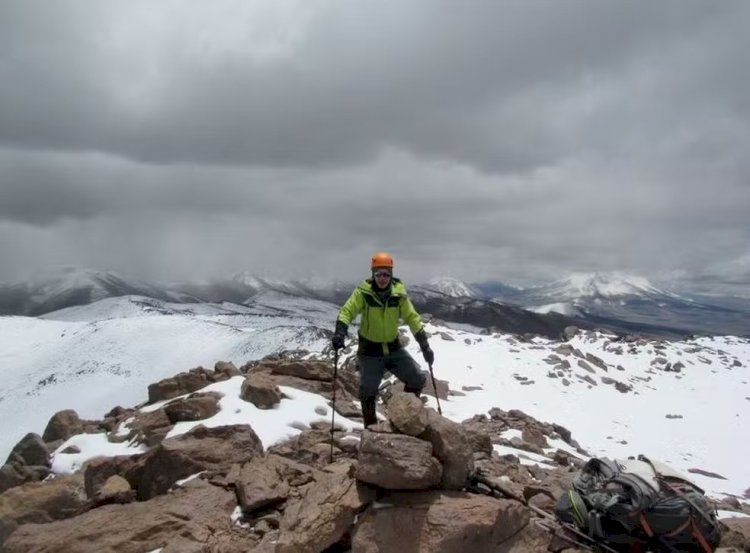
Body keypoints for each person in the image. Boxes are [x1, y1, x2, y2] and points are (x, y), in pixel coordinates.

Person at [331, 251, 434, 427]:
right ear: (373, 274)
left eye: (386, 274)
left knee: (416, 379)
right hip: (369, 351)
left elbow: (412, 317)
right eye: (379, 274)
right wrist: (340, 331)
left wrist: (424, 345)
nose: (382, 278)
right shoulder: (363, 293)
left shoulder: (398, 295)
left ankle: (405, 417)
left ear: (391, 275)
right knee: (368, 391)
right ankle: (370, 427)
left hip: (393, 348)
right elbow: (347, 311)